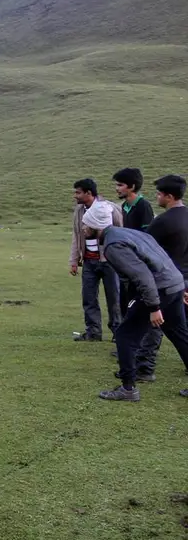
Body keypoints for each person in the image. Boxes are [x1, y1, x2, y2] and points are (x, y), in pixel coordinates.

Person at [80, 200, 188, 402]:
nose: (83, 227)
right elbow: (161, 257)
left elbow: (142, 276)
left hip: (158, 289)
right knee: (179, 333)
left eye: (86, 224)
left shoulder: (113, 245)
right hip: (173, 283)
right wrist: (178, 287)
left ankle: (128, 389)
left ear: (95, 225)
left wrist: (154, 307)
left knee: (125, 335)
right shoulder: (129, 233)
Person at [119, 175, 188, 382]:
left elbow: (143, 249)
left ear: (169, 196)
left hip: (163, 282)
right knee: (179, 330)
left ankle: (144, 368)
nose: (156, 197)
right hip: (183, 281)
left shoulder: (163, 222)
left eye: (159, 194)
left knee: (152, 324)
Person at [69, 178, 123, 341]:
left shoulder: (110, 209)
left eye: (78, 192)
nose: (75, 196)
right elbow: (76, 235)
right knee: (88, 297)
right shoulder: (79, 210)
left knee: (114, 298)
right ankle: (93, 332)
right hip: (88, 261)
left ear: (89, 193)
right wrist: (74, 260)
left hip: (109, 261)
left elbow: (120, 232)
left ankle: (118, 332)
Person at [114, 168, 154, 318]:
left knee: (138, 301)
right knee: (125, 300)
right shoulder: (124, 206)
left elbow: (147, 237)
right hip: (127, 260)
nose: (116, 188)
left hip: (138, 262)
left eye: (120, 185)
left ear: (131, 187)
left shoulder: (143, 206)